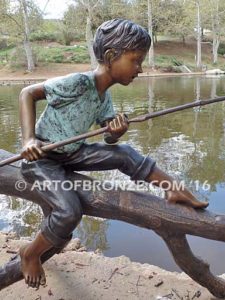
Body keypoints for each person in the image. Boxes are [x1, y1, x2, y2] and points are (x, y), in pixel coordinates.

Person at [19, 18, 208, 289]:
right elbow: (28, 92)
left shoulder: (104, 97)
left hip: (72, 153)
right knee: (68, 212)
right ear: (111, 57)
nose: (140, 69)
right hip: (43, 158)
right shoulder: (78, 83)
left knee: (125, 154)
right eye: (136, 60)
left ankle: (172, 187)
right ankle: (31, 252)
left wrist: (116, 133)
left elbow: (108, 138)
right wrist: (28, 141)